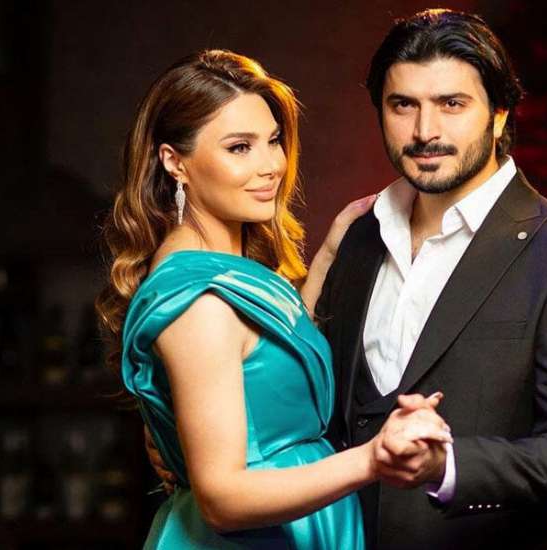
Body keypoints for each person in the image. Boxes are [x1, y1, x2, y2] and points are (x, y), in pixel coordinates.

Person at [96, 49, 453, 549]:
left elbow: (265, 365)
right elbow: (223, 500)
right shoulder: (199, 301)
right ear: (175, 162)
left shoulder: (224, 269)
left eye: (273, 141)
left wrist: (328, 255)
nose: (271, 166)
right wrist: (373, 459)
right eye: (239, 148)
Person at [315, 9, 547, 550]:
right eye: (403, 105)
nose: (424, 131)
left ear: (499, 114)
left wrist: (447, 465)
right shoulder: (359, 236)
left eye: (451, 104)